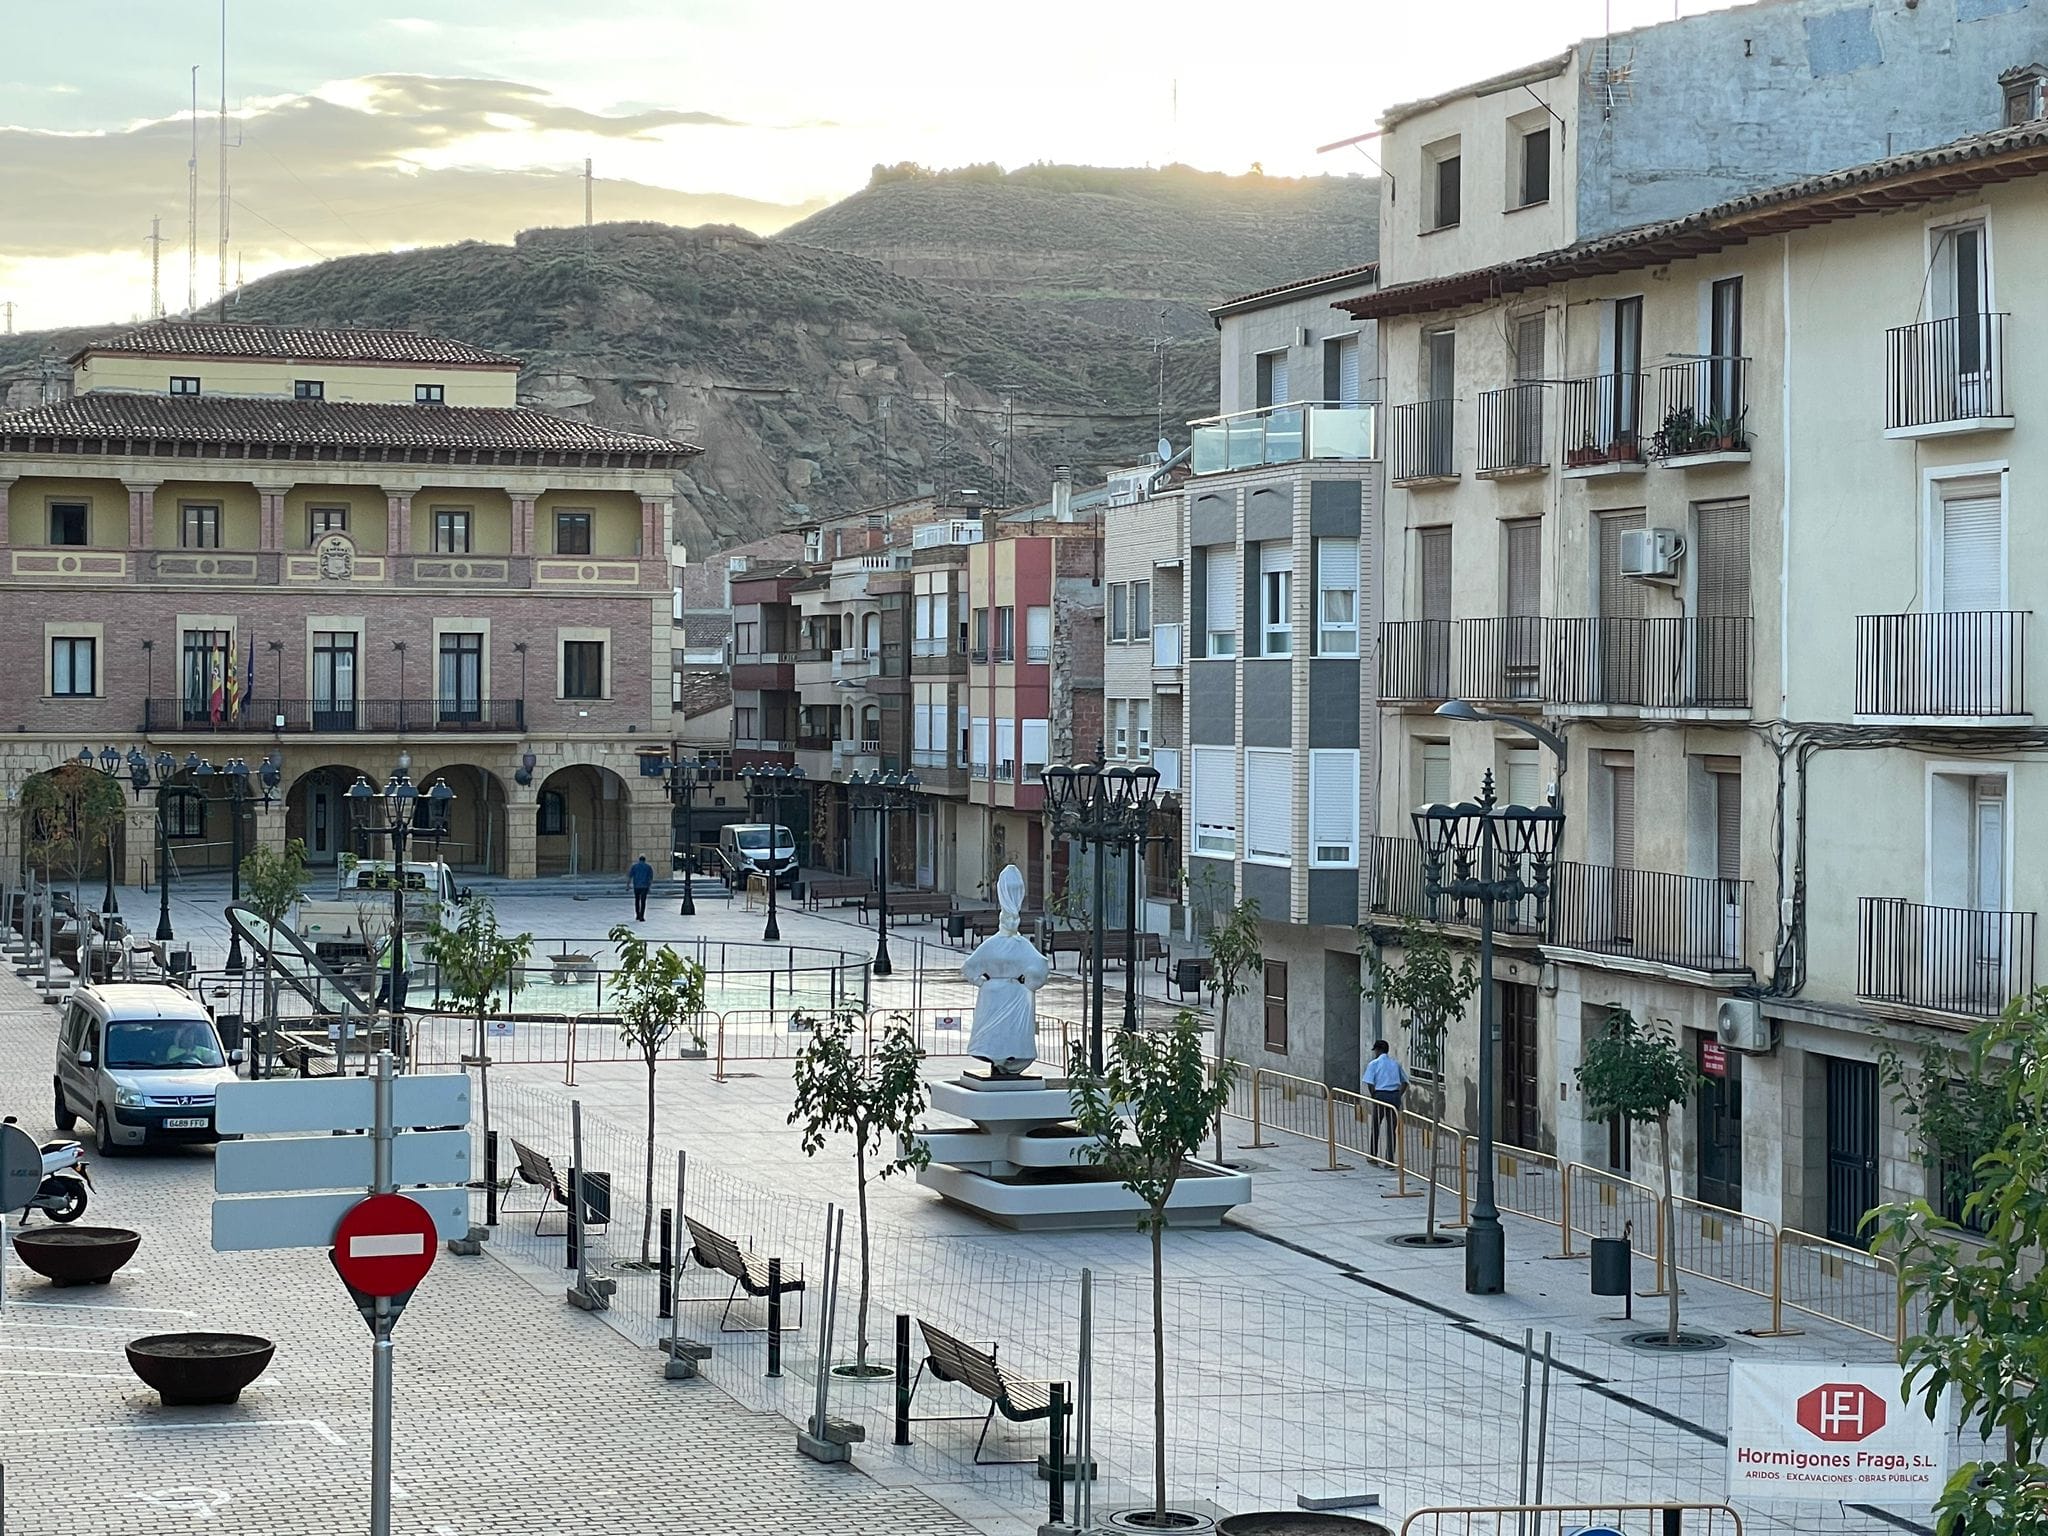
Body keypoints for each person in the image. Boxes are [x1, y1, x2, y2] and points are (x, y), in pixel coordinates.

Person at [1362, 1038, 1409, 1161]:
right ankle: (1390, 1159)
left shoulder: (1374, 1064)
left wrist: (1374, 1096)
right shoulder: (1395, 1064)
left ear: (1378, 1050)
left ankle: (1373, 1155)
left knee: (1376, 1126)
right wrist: (1399, 1095)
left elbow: (1370, 1083)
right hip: (1394, 1096)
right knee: (1391, 1129)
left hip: (1380, 1095)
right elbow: (1405, 1082)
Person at [629, 855, 655, 921]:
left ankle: (637, 915)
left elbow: (630, 876)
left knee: (637, 900)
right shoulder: (648, 867)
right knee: (643, 901)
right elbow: (650, 878)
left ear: (639, 860)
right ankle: (642, 916)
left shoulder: (634, 866)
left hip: (636, 886)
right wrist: (649, 887)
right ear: (644, 860)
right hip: (645, 886)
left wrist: (628, 885)